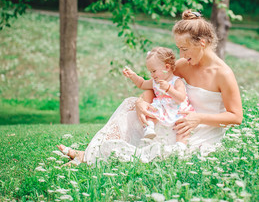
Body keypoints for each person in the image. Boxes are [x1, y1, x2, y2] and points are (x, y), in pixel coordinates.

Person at [57, 9, 243, 165]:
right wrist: (141, 102)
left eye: (184, 49)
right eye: (178, 48)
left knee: (163, 153)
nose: (180, 54)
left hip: (198, 131)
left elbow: (236, 117)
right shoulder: (183, 64)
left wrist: (198, 118)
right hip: (174, 118)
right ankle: (92, 153)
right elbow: (156, 86)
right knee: (130, 103)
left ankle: (89, 158)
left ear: (202, 43)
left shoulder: (223, 74)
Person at [122, 47, 194, 144]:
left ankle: (181, 145)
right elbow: (142, 84)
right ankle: (149, 127)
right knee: (151, 112)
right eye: (150, 72)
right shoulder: (155, 82)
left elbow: (181, 98)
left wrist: (169, 88)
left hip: (176, 109)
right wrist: (133, 76)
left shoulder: (176, 81)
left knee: (182, 127)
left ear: (167, 67)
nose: (152, 74)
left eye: (154, 71)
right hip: (161, 107)